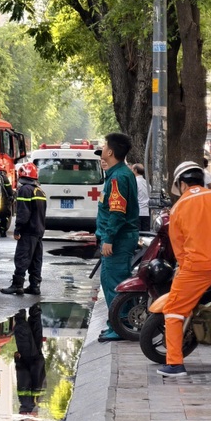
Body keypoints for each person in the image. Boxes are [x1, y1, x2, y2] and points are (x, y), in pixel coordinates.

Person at [157, 161, 211, 376]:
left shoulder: (178, 208)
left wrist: (186, 271)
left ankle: (175, 364)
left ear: (183, 184)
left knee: (174, 311)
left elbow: (179, 247)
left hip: (196, 268)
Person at [94, 132, 140, 342]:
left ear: (110, 152)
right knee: (112, 279)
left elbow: (117, 212)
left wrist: (109, 238)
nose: (102, 148)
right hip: (118, 237)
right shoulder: (118, 173)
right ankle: (119, 322)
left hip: (118, 239)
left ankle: (120, 325)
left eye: (104, 145)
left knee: (115, 281)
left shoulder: (119, 177)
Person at [1, 161, 47, 295]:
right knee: (36, 259)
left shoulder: (25, 190)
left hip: (28, 231)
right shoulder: (39, 190)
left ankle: (17, 285)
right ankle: (35, 285)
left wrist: (18, 229)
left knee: (22, 257)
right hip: (38, 231)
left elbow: (23, 213)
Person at [133, 163, 151, 231]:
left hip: (137, 213)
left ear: (135, 170)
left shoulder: (134, 182)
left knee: (138, 236)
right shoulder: (147, 184)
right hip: (146, 213)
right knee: (146, 236)